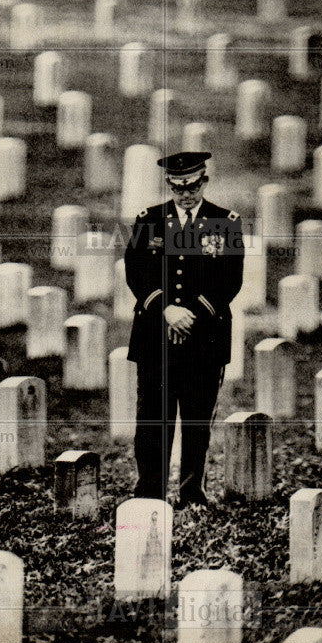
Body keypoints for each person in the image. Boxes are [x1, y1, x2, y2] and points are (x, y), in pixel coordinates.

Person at [124, 151, 244, 507]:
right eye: (178, 188)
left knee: (196, 420)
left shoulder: (225, 222)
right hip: (155, 337)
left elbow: (230, 280)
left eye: (192, 186)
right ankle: (150, 491)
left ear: (204, 181)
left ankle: (192, 491)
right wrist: (167, 310)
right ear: (169, 186)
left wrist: (191, 314)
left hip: (204, 336)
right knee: (152, 419)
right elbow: (136, 272)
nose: (186, 194)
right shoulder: (150, 220)